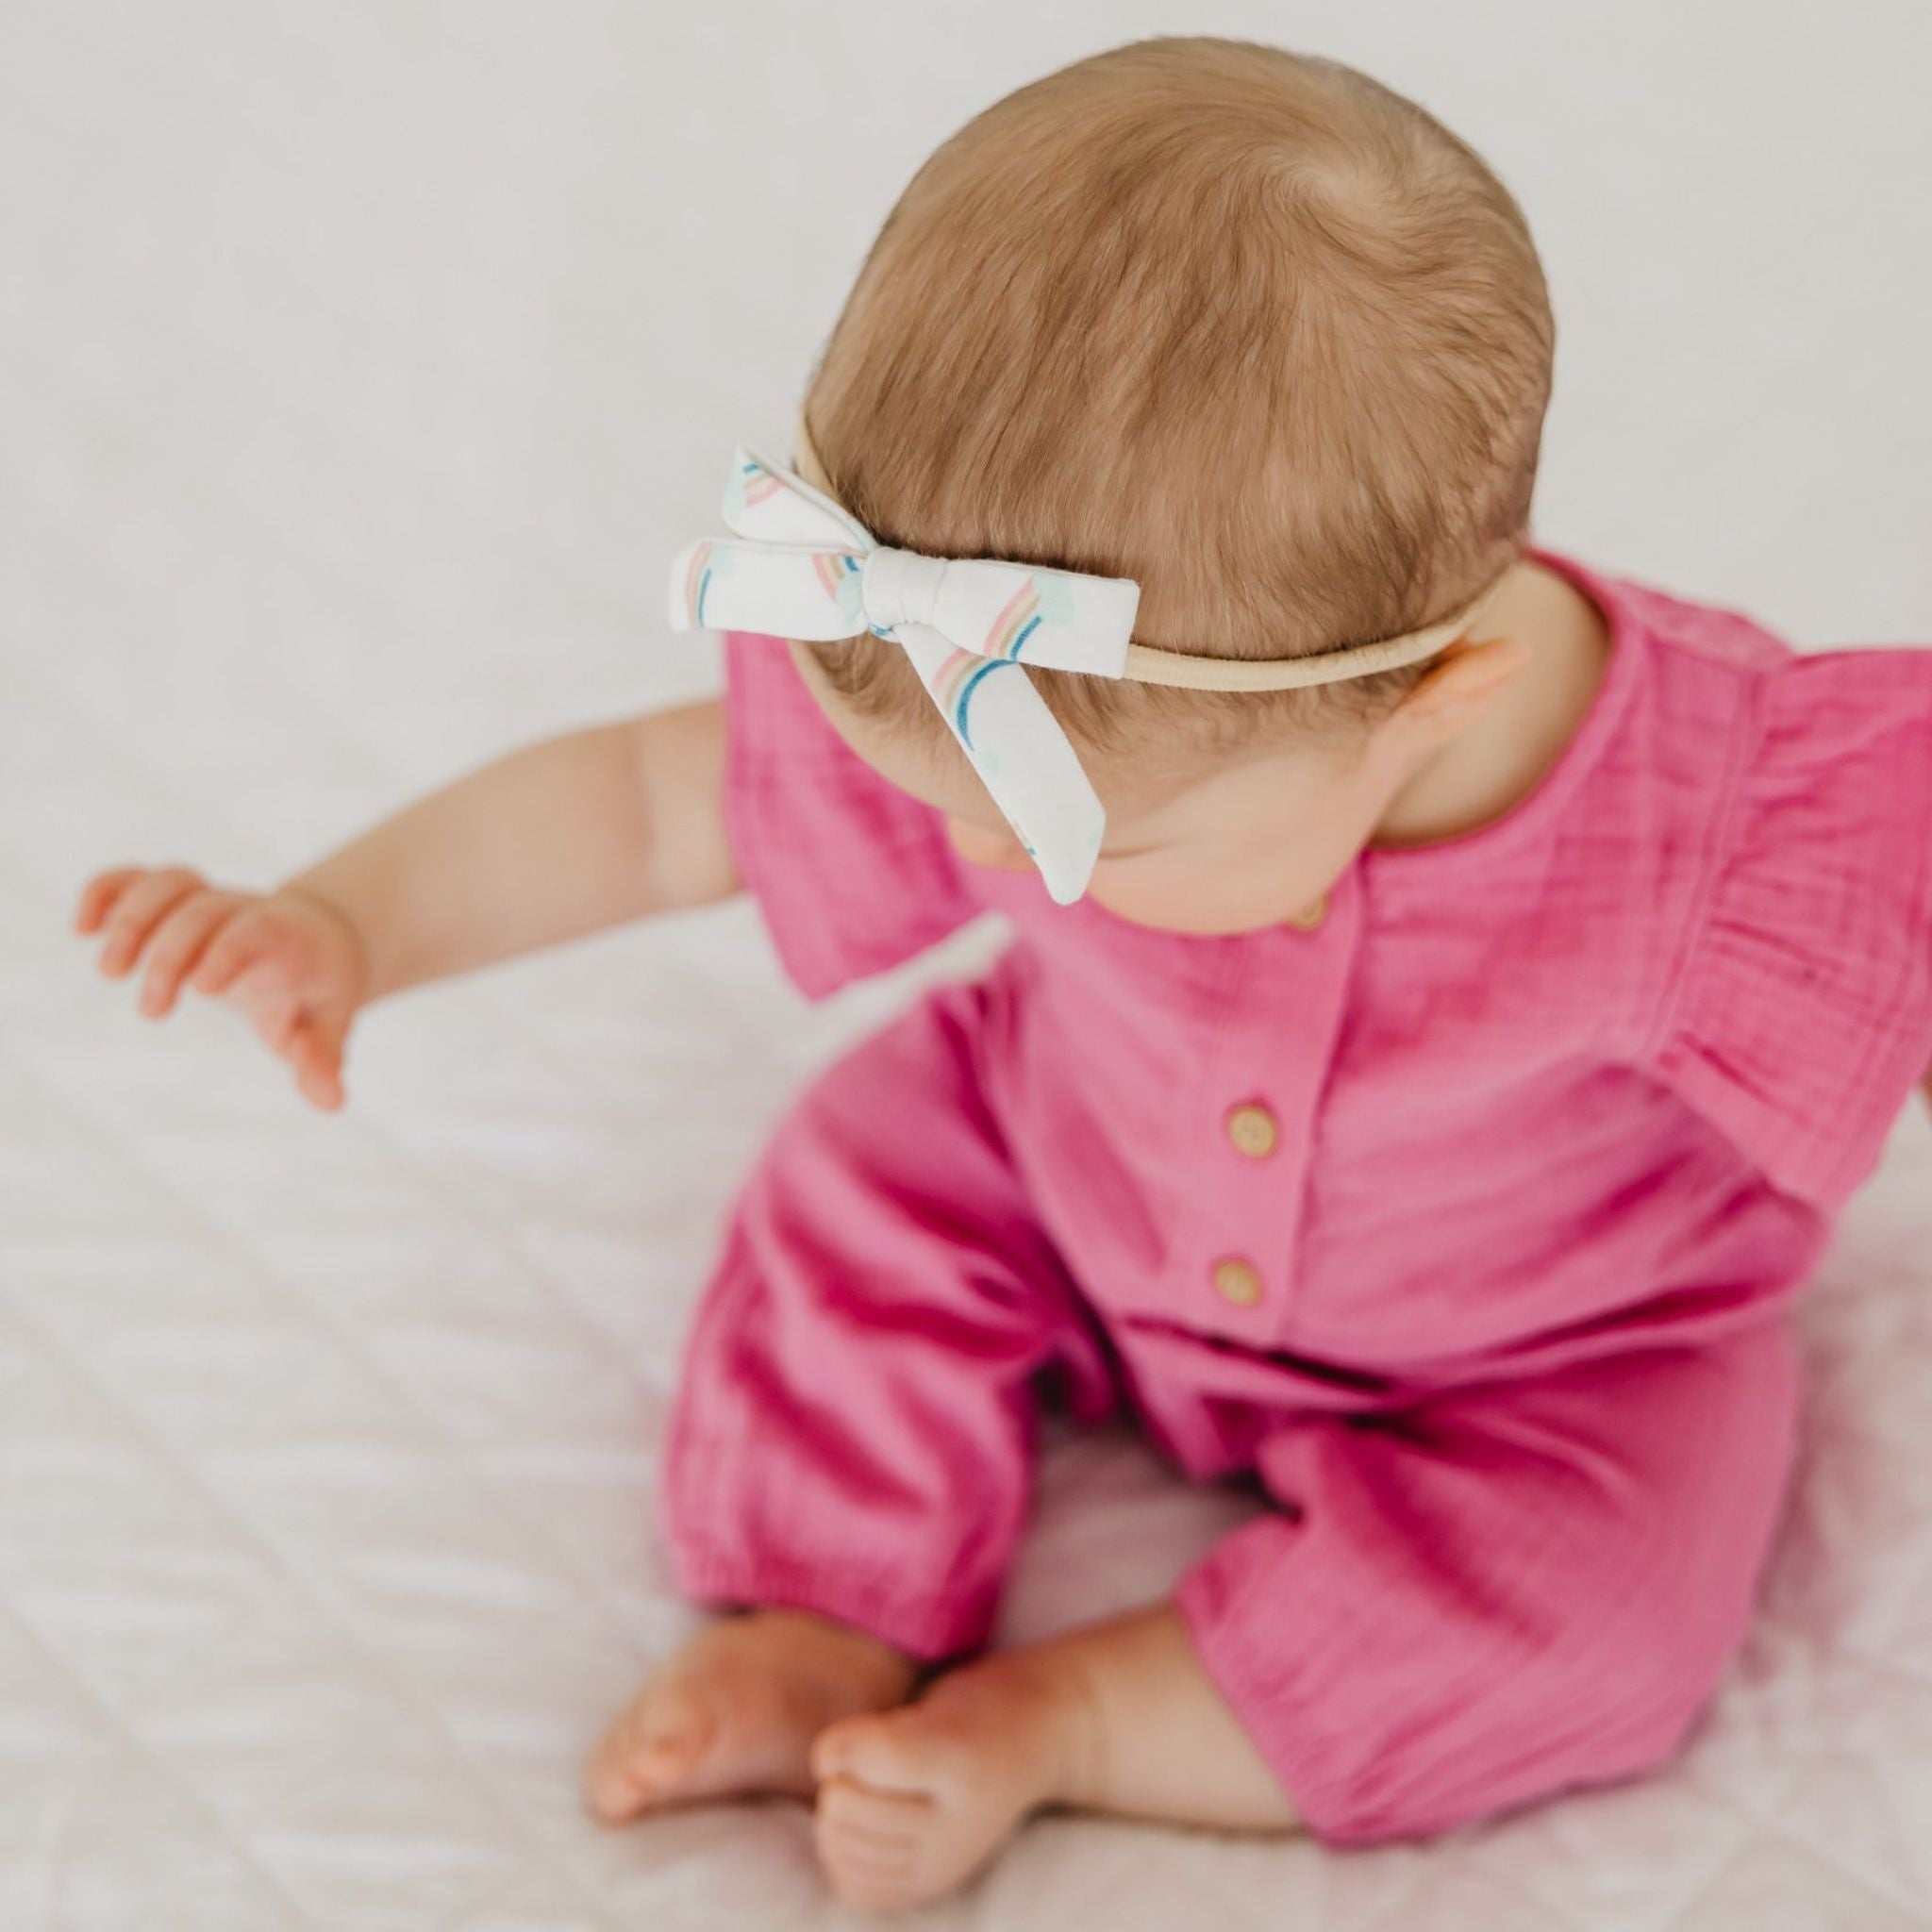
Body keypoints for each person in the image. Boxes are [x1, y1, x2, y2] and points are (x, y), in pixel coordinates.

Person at [74, 36, 1932, 1915]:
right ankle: (827, 1611)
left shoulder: (1736, 818)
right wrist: (348, 923)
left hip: (1556, 1342)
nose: (977, 862)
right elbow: (650, 807)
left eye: (1072, 842)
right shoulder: (1023, 691)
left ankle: (1080, 1719)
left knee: (1611, 1615)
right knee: (865, 1186)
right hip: (1069, 1166)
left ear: (1440, 701)